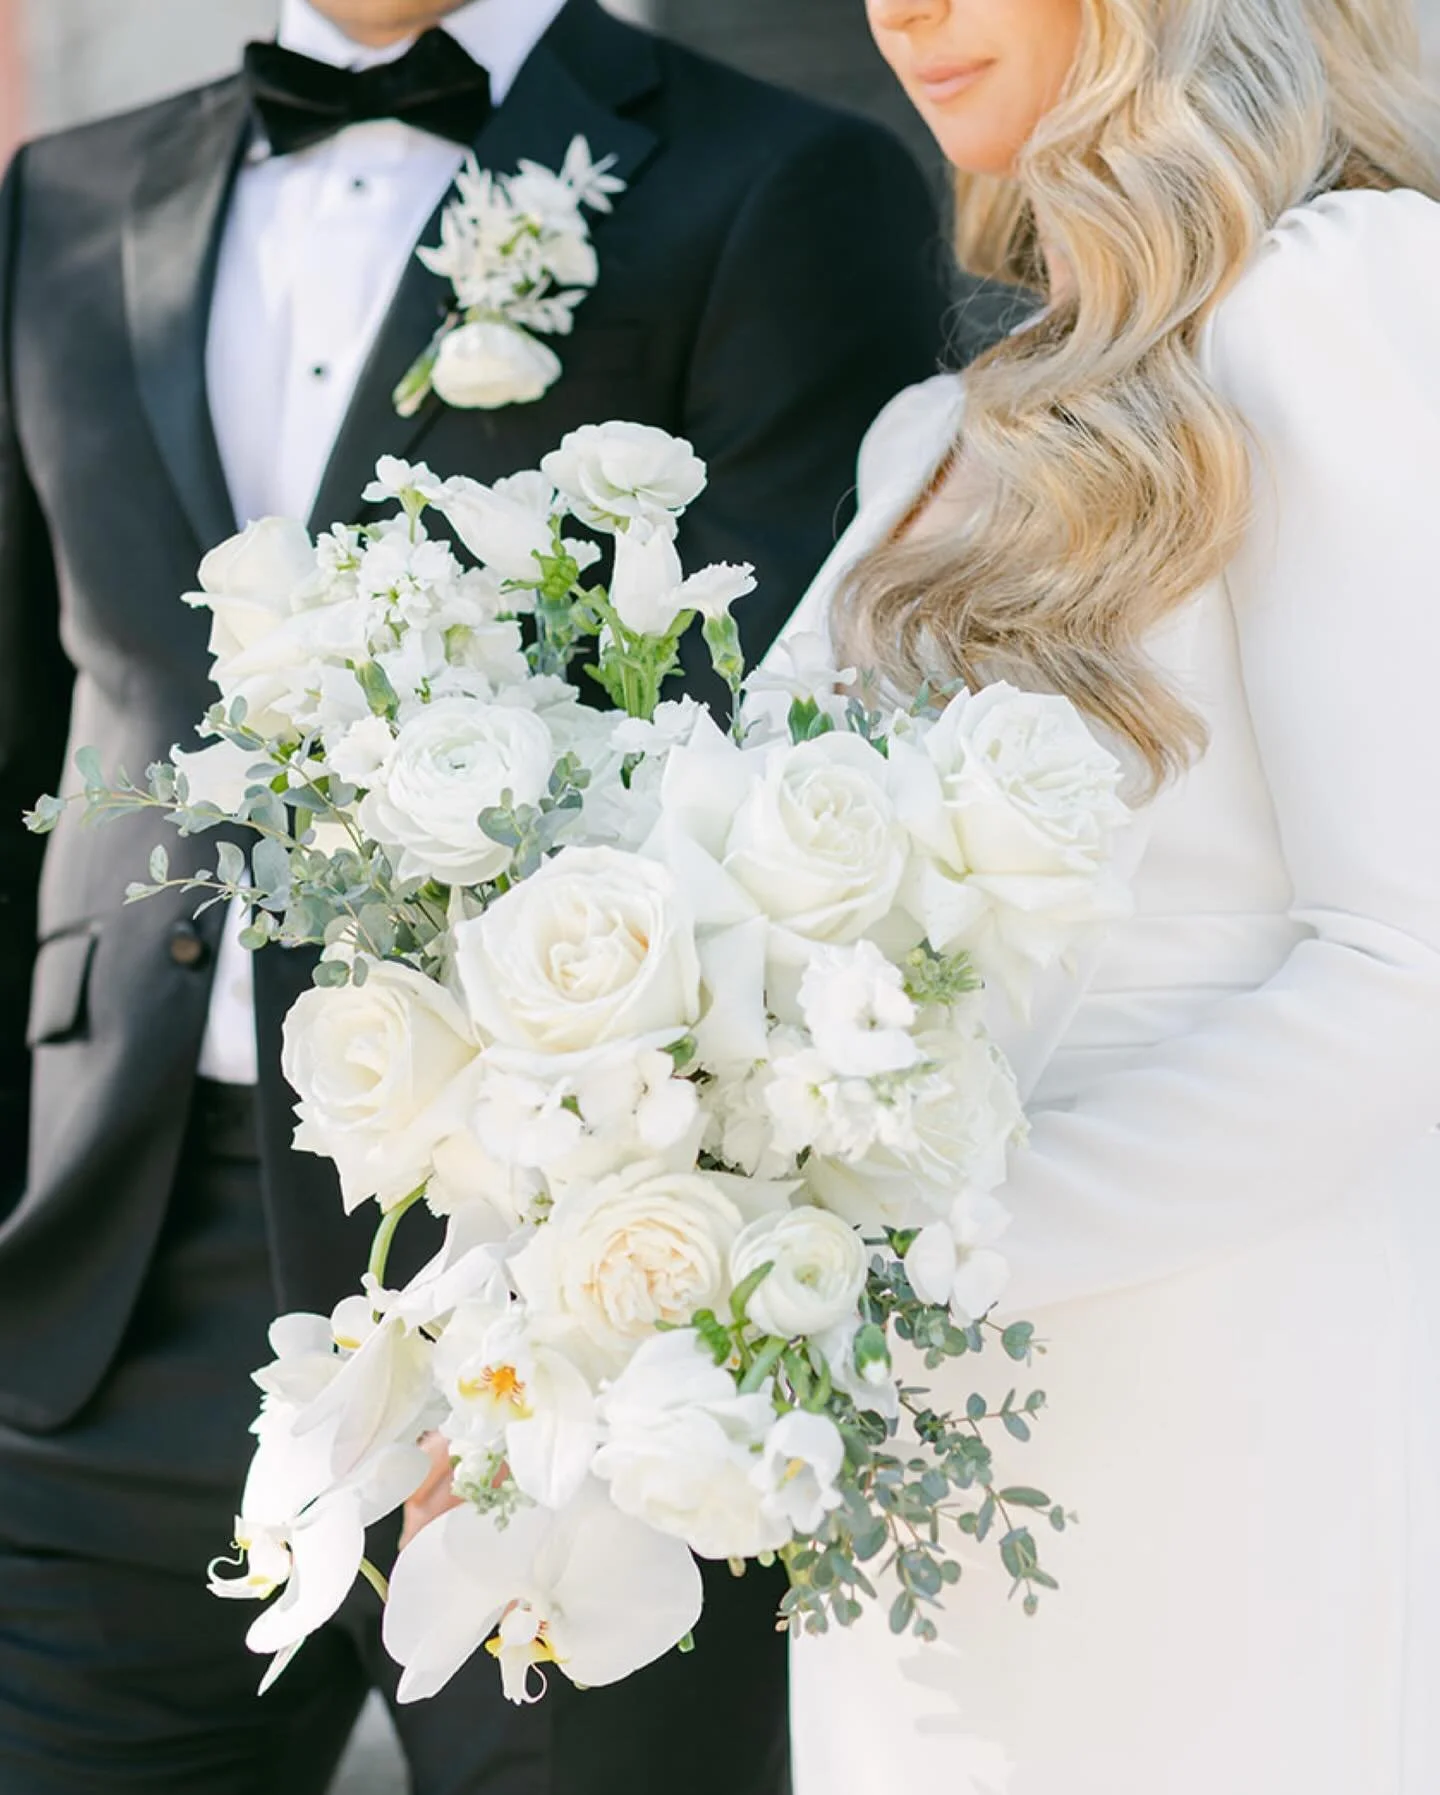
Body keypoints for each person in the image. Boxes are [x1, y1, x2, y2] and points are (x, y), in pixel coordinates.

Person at [0, 2, 963, 1790]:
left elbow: (778, 758)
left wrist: (598, 1301)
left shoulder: (786, 185)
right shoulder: (60, 198)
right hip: (98, 1299)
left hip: (551, 1304)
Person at [774, 2, 1440, 1792]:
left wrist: (881, 1268)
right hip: (915, 1481)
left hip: (1215, 1419)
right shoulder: (929, 430)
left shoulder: (1340, 292)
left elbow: (1410, 970)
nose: (902, 8)